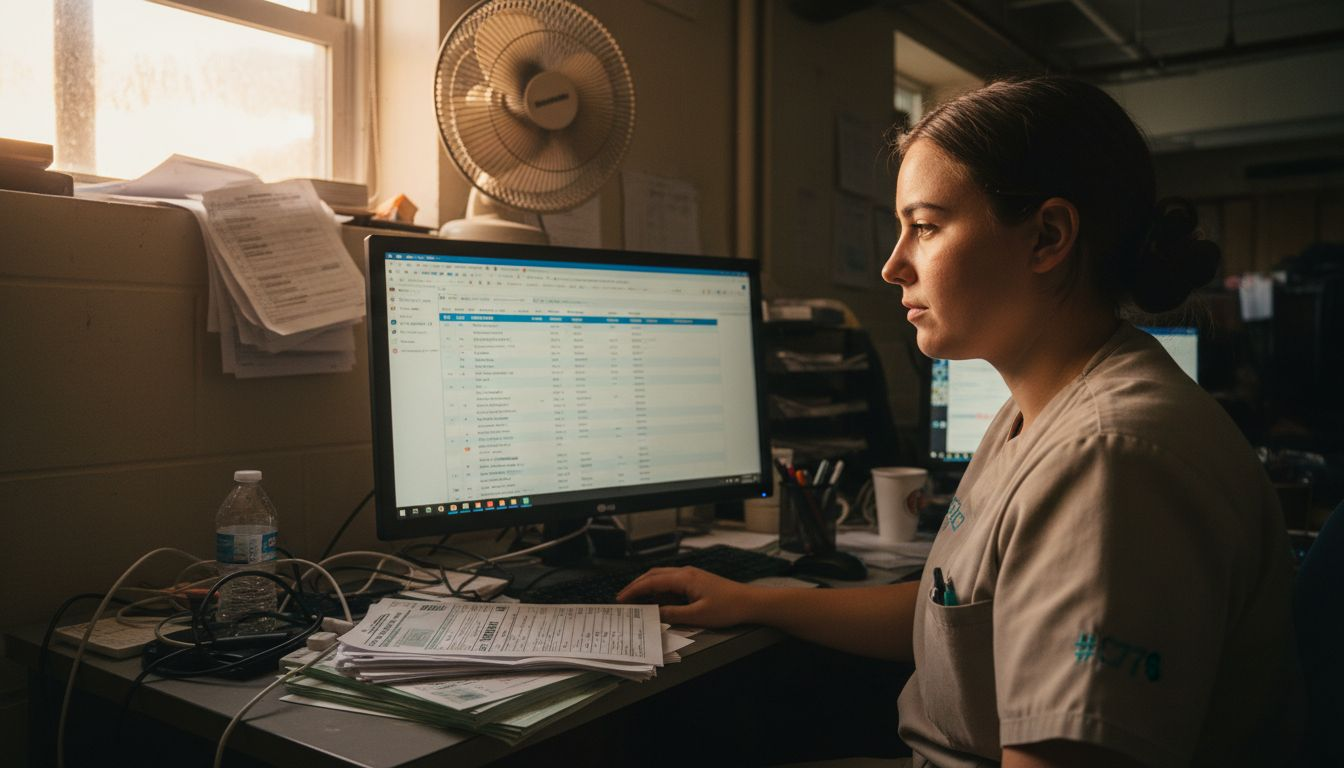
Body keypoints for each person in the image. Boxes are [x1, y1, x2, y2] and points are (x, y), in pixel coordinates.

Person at [618, 75, 1301, 767]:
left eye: (925, 226)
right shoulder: (1037, 409)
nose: (891, 266)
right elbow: (957, 610)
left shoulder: (1109, 460)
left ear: (1048, 237)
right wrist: (757, 600)